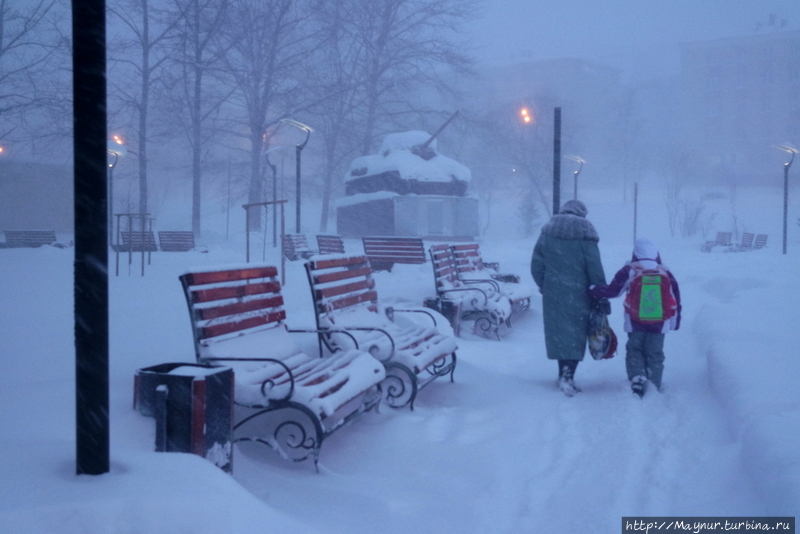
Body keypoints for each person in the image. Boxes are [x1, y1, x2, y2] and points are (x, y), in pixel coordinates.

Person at [531, 200, 606, 397]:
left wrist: (545, 285)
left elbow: (536, 265)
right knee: (575, 335)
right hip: (578, 293)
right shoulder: (586, 234)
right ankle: (568, 376)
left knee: (559, 335)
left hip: (554, 293)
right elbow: (594, 267)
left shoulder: (547, 233)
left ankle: (562, 373)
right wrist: (599, 293)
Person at [589, 237, 681, 397]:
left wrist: (593, 290)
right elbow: (675, 299)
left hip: (635, 320)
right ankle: (654, 383)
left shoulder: (630, 270)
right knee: (655, 352)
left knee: (635, 349)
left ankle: (637, 378)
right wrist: (675, 323)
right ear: (656, 253)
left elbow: (614, 291)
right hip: (660, 322)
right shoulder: (664, 271)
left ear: (635, 253)